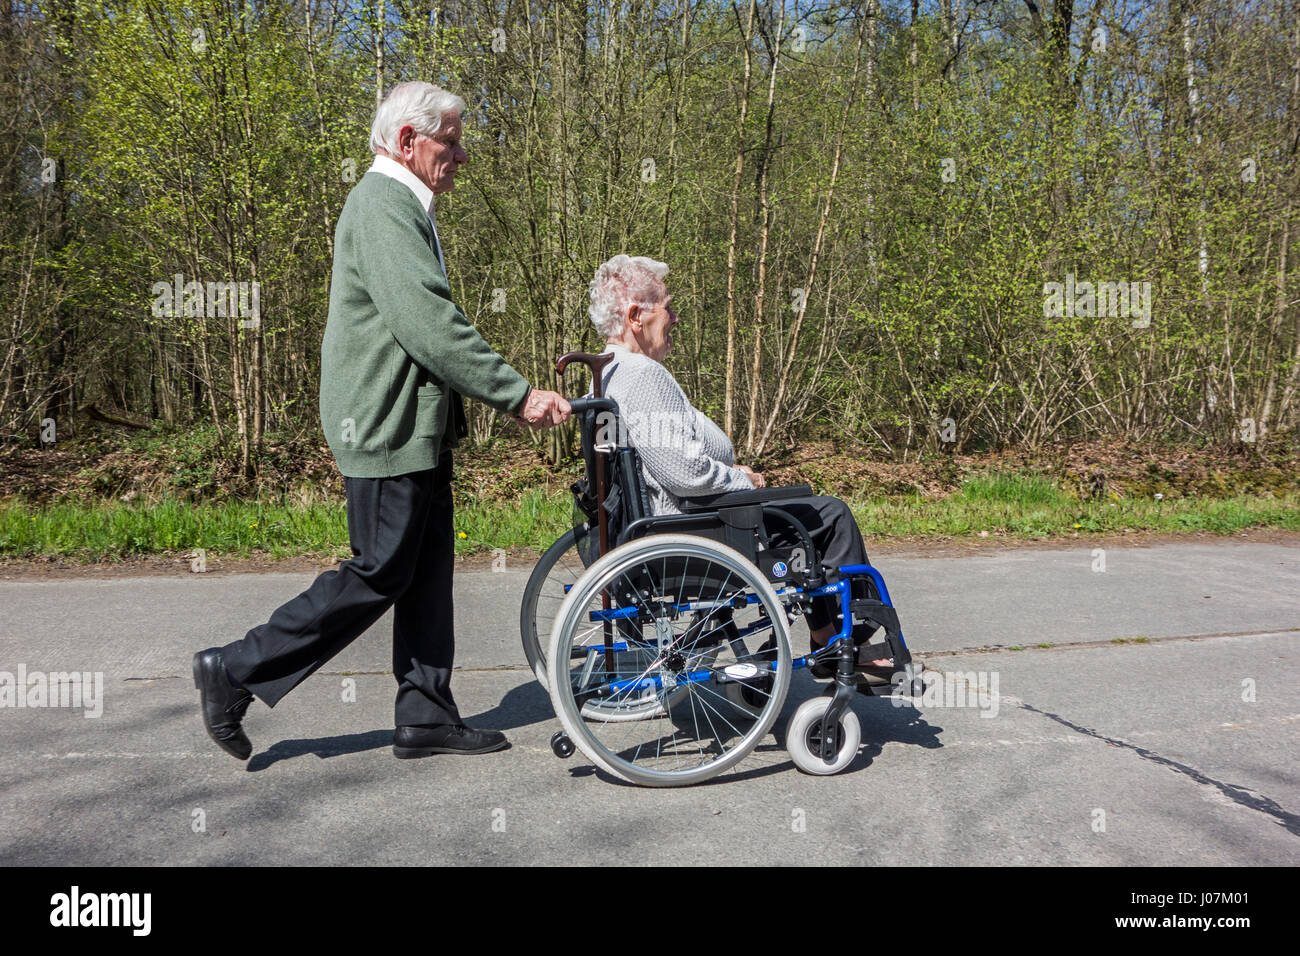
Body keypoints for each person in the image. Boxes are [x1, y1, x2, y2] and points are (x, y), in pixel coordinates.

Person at [193, 82, 571, 762]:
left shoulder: (400, 204)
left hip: (411, 425)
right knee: (378, 571)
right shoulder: (382, 205)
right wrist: (516, 394)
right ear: (407, 141)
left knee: (424, 570)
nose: (460, 156)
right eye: (449, 142)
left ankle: (425, 715)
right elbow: (429, 325)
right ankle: (236, 669)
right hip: (385, 425)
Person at [586, 254, 890, 675]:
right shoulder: (642, 375)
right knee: (830, 514)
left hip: (674, 519)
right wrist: (741, 479)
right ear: (636, 315)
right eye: (669, 308)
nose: (675, 318)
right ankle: (837, 643)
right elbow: (685, 474)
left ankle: (826, 639)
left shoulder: (608, 372)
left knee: (810, 513)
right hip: (693, 526)